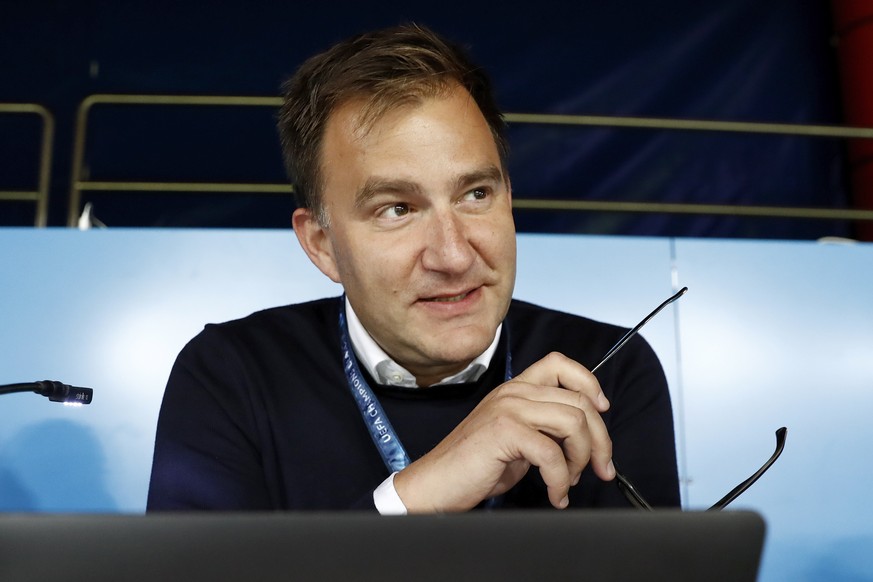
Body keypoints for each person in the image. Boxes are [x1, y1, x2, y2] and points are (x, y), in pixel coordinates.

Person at [147, 24, 679, 513]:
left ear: (509, 200)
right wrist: (415, 496)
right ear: (322, 244)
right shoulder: (231, 375)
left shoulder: (607, 374)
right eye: (397, 209)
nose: (453, 256)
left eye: (475, 194)